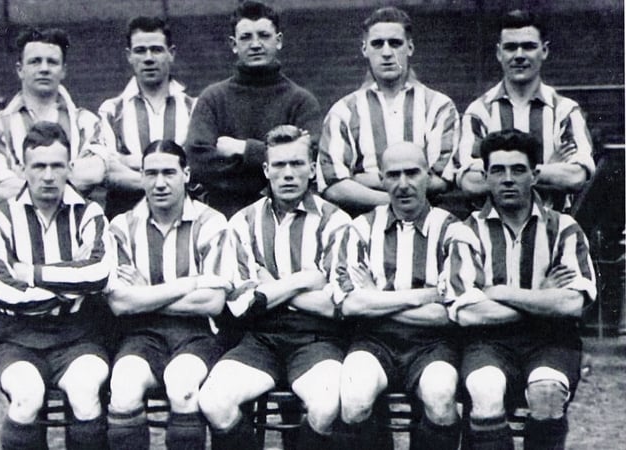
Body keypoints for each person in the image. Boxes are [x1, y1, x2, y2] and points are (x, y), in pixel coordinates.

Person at [198, 125, 352, 449]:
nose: (288, 174)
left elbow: (336, 305)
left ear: (312, 169)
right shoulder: (242, 222)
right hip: (260, 339)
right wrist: (303, 280)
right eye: (279, 165)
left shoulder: (336, 222)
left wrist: (271, 286)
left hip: (317, 338)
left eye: (297, 164)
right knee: (214, 400)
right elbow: (241, 303)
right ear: (266, 170)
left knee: (326, 405)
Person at [447, 129, 597, 449]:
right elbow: (469, 313)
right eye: (498, 171)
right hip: (488, 343)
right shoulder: (466, 232)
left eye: (518, 170)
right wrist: (541, 297)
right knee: (485, 389)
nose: (508, 179)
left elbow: (571, 304)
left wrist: (500, 291)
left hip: (552, 340)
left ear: (535, 174)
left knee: (546, 394)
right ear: (485, 176)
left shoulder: (564, 228)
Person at [0, 122, 113, 450]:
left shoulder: (89, 213)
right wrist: (72, 285)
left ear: (70, 167)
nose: (48, 175)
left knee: (84, 392)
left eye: (57, 165)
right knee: (26, 397)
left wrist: (33, 274)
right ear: (22, 169)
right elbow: (0, 290)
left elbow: (99, 274)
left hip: (79, 335)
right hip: (17, 336)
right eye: (39, 166)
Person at [335, 142, 471, 449]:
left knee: (439, 396)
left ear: (428, 176)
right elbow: (352, 305)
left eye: (412, 173)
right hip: (373, 341)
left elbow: (449, 313)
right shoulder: (360, 229)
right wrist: (424, 296)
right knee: (355, 399)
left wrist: (377, 298)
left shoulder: (453, 230)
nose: (403, 184)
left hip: (433, 344)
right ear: (382, 179)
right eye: (393, 175)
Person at [105, 140, 233, 450]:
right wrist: (190, 284)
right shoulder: (121, 227)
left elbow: (213, 303)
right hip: (140, 335)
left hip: (198, 335)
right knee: (123, 387)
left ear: (186, 175)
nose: (159, 183)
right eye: (150, 174)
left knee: (182, 385)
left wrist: (145, 296)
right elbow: (121, 304)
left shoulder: (211, 223)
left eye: (169, 173)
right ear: (141, 177)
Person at [318, 7, 458, 217]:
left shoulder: (439, 106)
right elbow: (333, 184)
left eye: (395, 43)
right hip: (364, 223)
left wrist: (361, 178)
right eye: (377, 44)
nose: (386, 53)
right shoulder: (344, 111)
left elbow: (442, 179)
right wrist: (393, 202)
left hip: (427, 222)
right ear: (364, 49)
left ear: (410, 47)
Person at [186, 1, 321, 218]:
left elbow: (309, 162)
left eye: (264, 35)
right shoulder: (212, 98)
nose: (256, 44)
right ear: (233, 44)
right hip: (225, 216)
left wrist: (244, 149)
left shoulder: (301, 101)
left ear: (279, 41)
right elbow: (198, 163)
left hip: (289, 216)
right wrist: (271, 165)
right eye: (246, 37)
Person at [453, 10, 595, 211]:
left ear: (544, 51)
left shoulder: (565, 111)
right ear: (498, 53)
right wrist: (548, 169)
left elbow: (576, 177)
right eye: (511, 47)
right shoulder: (479, 113)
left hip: (551, 228)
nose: (519, 55)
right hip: (491, 233)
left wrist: (500, 174)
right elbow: (470, 182)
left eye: (528, 47)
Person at [0, 27, 114, 203]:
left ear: (63, 70)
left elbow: (94, 173)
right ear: (20, 69)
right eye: (35, 61)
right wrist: (66, 173)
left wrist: (27, 175)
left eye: (52, 62)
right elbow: (1, 187)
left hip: (75, 223)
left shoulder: (86, 122)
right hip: (19, 225)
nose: (44, 68)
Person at [97, 17, 196, 218]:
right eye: (140, 51)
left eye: (157, 50)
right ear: (129, 56)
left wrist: (129, 161)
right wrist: (167, 176)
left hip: (183, 217)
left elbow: (196, 164)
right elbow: (108, 170)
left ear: (171, 53)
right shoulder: (112, 110)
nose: (148, 58)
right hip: (126, 217)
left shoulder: (193, 108)